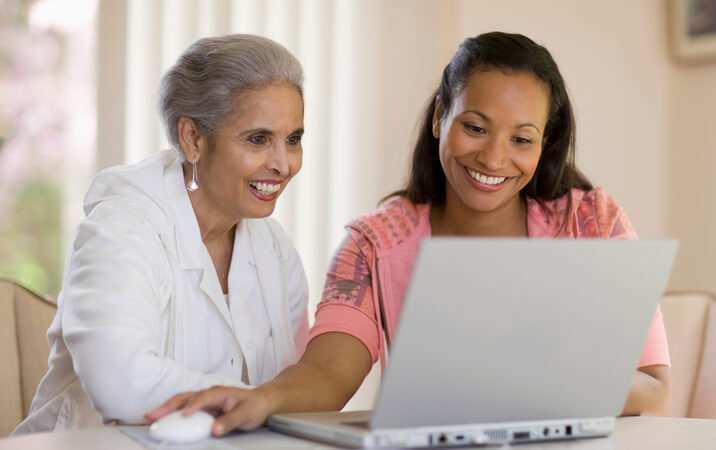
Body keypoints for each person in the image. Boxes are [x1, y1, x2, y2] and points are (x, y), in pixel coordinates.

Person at [147, 31, 670, 436]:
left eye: (521, 138)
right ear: (441, 116)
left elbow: (653, 391)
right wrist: (259, 399)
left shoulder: (593, 223)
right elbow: (328, 372)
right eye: (476, 127)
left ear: (545, 142)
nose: (493, 158)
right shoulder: (374, 244)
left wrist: (534, 380)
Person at [13, 34, 309, 434]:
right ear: (193, 139)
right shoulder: (120, 228)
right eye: (258, 139)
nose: (284, 163)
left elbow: (291, 394)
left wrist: (273, 400)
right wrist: (258, 400)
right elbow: (121, 382)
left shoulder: (276, 251)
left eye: (293, 139)